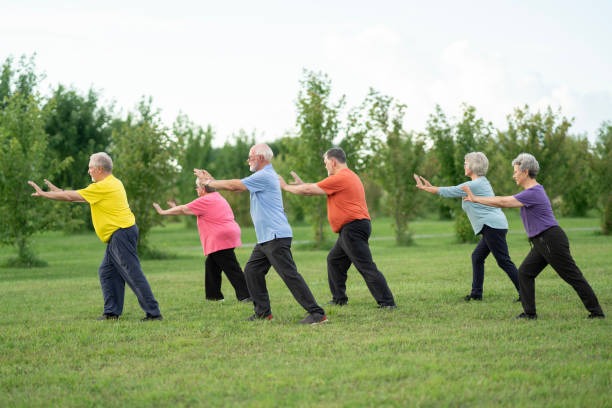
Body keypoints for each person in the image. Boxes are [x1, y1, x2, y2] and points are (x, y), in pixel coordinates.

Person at [194, 143, 327, 325]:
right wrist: (212, 181)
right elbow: (234, 184)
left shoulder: (264, 176)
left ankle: (317, 313)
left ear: (261, 158)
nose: (248, 160)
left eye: (251, 156)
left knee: (289, 275)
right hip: (266, 238)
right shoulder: (261, 176)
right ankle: (263, 313)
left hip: (275, 236)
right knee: (252, 271)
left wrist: (209, 183)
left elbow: (235, 186)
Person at [462, 153, 605, 320]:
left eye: (516, 171)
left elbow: (504, 202)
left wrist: (475, 198)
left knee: (572, 276)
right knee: (525, 273)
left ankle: (596, 312)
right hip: (542, 241)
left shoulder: (533, 192)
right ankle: (529, 314)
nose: (513, 175)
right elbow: (504, 201)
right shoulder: (533, 191)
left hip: (550, 240)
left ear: (525, 172)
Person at [28, 152, 163, 321]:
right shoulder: (111, 183)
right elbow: (80, 197)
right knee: (107, 272)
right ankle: (111, 313)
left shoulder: (104, 186)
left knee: (133, 273)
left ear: (99, 169)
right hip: (119, 234)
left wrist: (45, 194)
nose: (88, 171)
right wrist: (59, 191)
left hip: (121, 234)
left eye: (90, 167)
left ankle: (154, 313)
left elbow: (71, 197)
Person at [279, 147, 396, 309]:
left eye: (325, 163)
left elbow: (307, 190)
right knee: (334, 261)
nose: (325, 166)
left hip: (353, 228)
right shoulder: (347, 176)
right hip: (352, 228)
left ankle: (387, 303)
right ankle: (339, 298)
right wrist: (302, 185)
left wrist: (285, 187)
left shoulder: (341, 177)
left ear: (333, 162)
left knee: (365, 266)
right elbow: (310, 189)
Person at [414, 152, 521, 302]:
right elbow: (449, 190)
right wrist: (432, 187)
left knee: (503, 261)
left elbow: (448, 191)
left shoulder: (473, 185)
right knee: (477, 257)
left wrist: (427, 188)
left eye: (466, 163)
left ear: (473, 166)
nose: (464, 165)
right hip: (492, 226)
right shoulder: (480, 182)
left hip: (492, 226)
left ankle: (525, 293)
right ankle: (476, 294)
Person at [153, 178, 251, 303]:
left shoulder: (205, 200)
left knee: (231, 266)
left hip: (220, 237)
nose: (196, 189)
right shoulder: (217, 196)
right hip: (228, 234)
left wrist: (163, 212)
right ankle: (214, 296)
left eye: (197, 187)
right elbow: (188, 210)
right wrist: (177, 207)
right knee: (212, 265)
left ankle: (246, 295)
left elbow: (184, 209)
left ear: (203, 189)